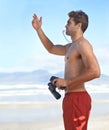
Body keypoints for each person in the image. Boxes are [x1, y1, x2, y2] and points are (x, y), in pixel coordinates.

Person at [32, 10, 100, 130]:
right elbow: (51, 48)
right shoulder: (70, 47)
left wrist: (68, 82)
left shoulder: (83, 45)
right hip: (70, 98)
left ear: (79, 26)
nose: (65, 25)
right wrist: (38, 29)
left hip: (78, 97)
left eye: (69, 22)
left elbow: (95, 72)